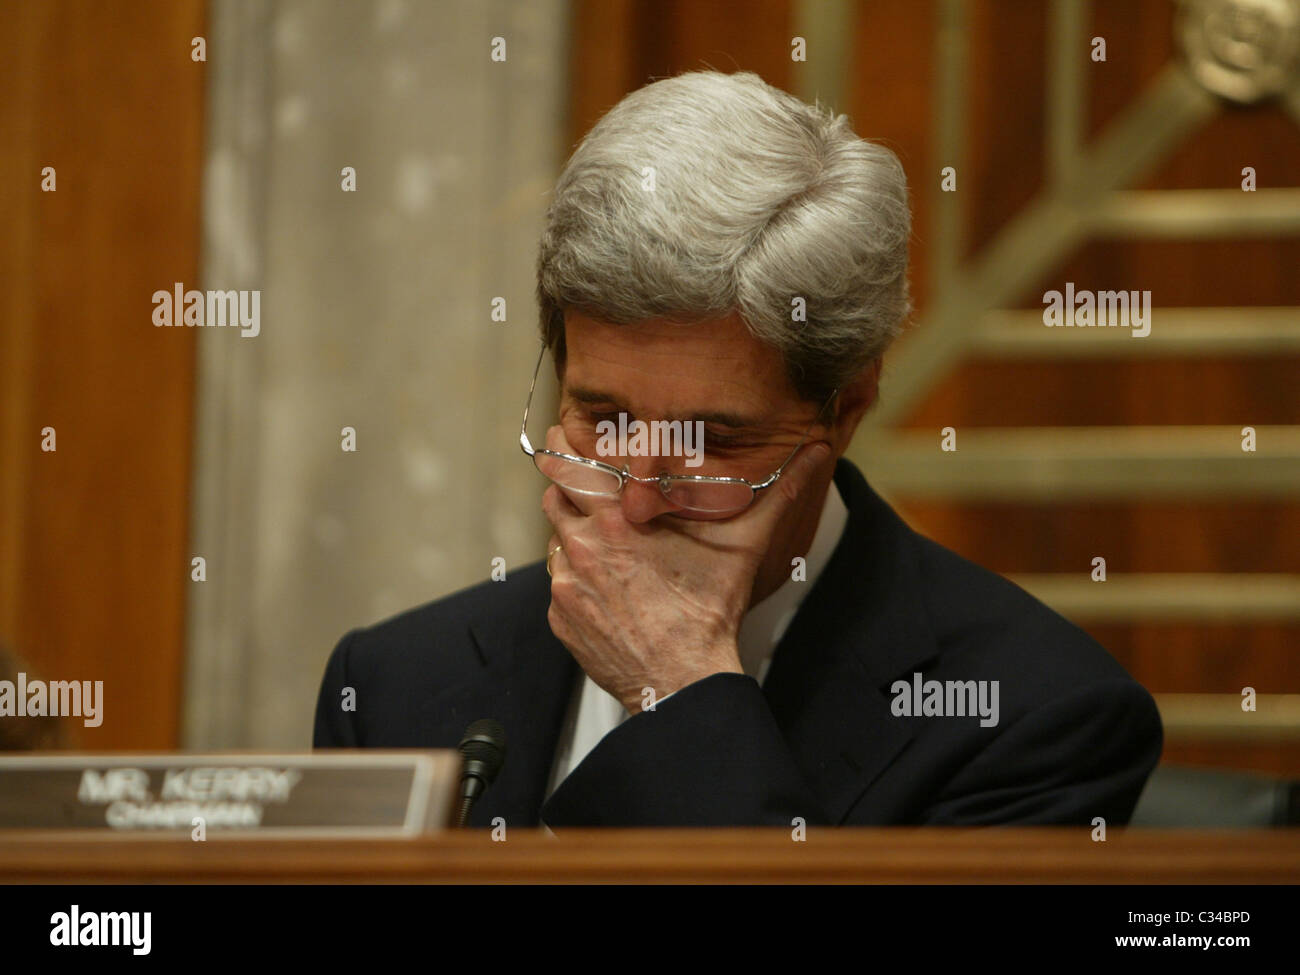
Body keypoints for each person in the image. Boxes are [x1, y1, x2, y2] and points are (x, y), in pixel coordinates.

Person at [313, 70, 1162, 828]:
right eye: (603, 418)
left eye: (714, 440)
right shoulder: (392, 682)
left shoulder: (1036, 719)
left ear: (846, 408)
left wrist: (682, 689)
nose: (635, 498)